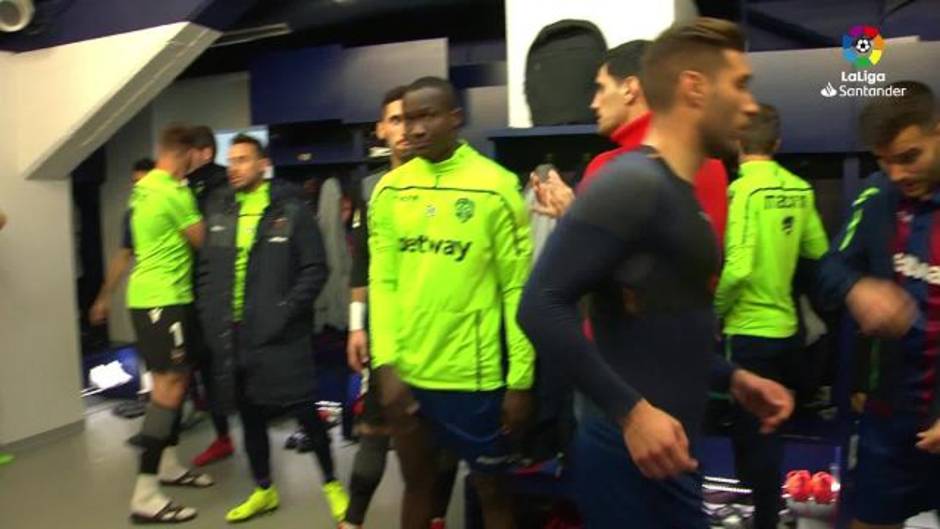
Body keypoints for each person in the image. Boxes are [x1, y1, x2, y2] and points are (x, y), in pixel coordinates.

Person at [518, 18, 794, 528]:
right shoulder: (630, 182)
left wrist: (731, 376)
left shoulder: (682, 190)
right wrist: (632, 413)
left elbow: (664, 323)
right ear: (693, 88)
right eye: (739, 85)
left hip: (671, 449)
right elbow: (538, 307)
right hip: (629, 449)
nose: (751, 105)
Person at [369, 76, 535, 529]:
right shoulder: (389, 191)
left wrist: (520, 380)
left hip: (475, 380)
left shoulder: (496, 188)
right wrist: (385, 365)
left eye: (428, 116)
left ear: (455, 119)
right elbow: (382, 282)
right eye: (407, 118)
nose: (415, 129)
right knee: (418, 487)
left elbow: (516, 291)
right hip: (407, 376)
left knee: (493, 493)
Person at [197, 134, 349, 524]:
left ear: (263, 165)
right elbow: (209, 269)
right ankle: (264, 489)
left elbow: (316, 269)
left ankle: (332, 485)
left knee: (305, 413)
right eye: (231, 160)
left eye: (243, 159)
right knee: (248, 416)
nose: (234, 167)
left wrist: (286, 310)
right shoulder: (221, 210)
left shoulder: (291, 210)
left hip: (282, 335)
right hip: (235, 335)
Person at [818, 80, 940, 529]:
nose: (896, 174)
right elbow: (829, 269)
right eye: (883, 161)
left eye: (909, 157)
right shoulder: (876, 196)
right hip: (887, 421)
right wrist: (857, 288)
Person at [343, 86, 458, 529]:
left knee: (442, 437)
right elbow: (362, 264)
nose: (404, 130)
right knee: (375, 428)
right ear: (381, 129)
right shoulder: (371, 189)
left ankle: (436, 517)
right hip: (387, 332)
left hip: (443, 335)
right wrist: (357, 327)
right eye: (394, 120)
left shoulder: (449, 180)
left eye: (409, 120)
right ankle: (352, 520)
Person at [715, 103, 829, 529]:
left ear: (737, 143)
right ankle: (770, 511)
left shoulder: (742, 190)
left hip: (748, 333)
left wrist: (713, 311)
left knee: (753, 435)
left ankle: (761, 517)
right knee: (773, 428)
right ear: (777, 143)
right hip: (788, 332)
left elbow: (739, 268)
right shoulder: (800, 188)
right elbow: (818, 253)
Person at [529, 39, 729, 246]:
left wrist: (571, 216)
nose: (594, 103)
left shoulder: (607, 167)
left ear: (629, 88)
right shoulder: (710, 163)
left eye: (601, 88)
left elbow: (605, 264)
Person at [127, 125, 211, 525]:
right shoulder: (175, 192)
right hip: (165, 299)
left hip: (152, 298)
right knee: (169, 388)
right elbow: (202, 241)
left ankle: (168, 465)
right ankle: (145, 493)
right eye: (198, 155)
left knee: (175, 382)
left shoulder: (144, 186)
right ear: (189, 154)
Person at [185, 126, 236, 468]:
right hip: (195, 289)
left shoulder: (217, 185)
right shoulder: (186, 186)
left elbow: (212, 240)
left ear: (203, 153)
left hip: (217, 291)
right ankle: (223, 437)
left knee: (222, 365)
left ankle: (228, 436)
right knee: (203, 364)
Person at [89, 158, 154, 326]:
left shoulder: (174, 205)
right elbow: (123, 256)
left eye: (143, 182)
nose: (138, 187)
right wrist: (103, 298)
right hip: (147, 294)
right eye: (135, 182)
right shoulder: (132, 215)